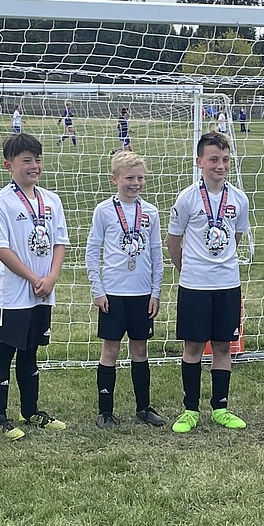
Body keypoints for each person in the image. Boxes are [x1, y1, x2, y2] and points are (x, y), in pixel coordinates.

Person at [0, 133, 70, 437]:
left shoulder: (52, 200)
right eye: (26, 161)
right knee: (5, 351)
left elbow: (60, 242)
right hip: (16, 294)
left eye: (37, 159)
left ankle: (30, 410)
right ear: (9, 165)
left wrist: (52, 277)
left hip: (44, 292)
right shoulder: (1, 201)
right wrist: (34, 278)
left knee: (31, 351)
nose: (34, 166)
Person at [166, 131, 250, 433]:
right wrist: (187, 268)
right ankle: (190, 410)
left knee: (223, 347)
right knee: (193, 346)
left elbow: (236, 238)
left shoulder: (239, 198)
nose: (220, 165)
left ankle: (220, 407)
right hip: (195, 285)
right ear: (199, 161)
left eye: (225, 160)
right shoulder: (187, 198)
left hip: (228, 283)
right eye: (214, 159)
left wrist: (220, 262)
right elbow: (173, 241)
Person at [85, 151, 166, 430]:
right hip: (113, 294)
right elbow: (92, 251)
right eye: (129, 178)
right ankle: (105, 411)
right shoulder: (104, 211)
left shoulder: (151, 212)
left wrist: (156, 292)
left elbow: (156, 253)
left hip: (142, 294)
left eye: (140, 177)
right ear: (114, 179)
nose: (135, 183)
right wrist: (98, 289)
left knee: (140, 349)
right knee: (110, 350)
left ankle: (143, 408)